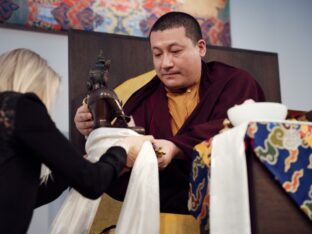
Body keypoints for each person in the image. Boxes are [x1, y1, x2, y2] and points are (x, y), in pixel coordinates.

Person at [75, 11, 265, 213]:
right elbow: (122, 140)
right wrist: (94, 129)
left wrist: (176, 148)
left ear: (200, 48)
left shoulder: (233, 82)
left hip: (226, 199)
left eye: (175, 51)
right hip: (166, 202)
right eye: (157, 54)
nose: (165, 63)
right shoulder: (145, 98)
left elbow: (236, 131)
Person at [0, 48, 153, 234]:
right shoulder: (20, 107)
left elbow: (25, 196)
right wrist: (122, 148)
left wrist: (75, 167)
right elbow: (92, 183)